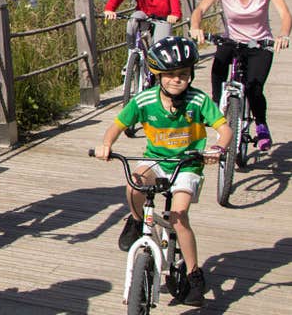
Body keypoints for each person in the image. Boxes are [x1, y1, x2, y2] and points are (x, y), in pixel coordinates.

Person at [94, 36, 232, 307]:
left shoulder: (198, 100)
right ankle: (136, 221)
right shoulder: (145, 100)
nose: (176, 80)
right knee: (135, 184)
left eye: (183, 74)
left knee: (179, 216)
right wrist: (106, 144)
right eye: (169, 75)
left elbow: (224, 129)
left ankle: (193, 274)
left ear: (191, 74)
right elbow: (117, 125)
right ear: (157, 75)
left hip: (189, 162)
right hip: (156, 159)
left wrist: (218, 147)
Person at [189, 0, 291, 151]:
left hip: (259, 45)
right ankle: (217, 107)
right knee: (218, 67)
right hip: (232, 41)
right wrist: (195, 26)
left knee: (254, 88)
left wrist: (283, 34)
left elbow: (285, 14)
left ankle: (261, 125)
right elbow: (200, 9)